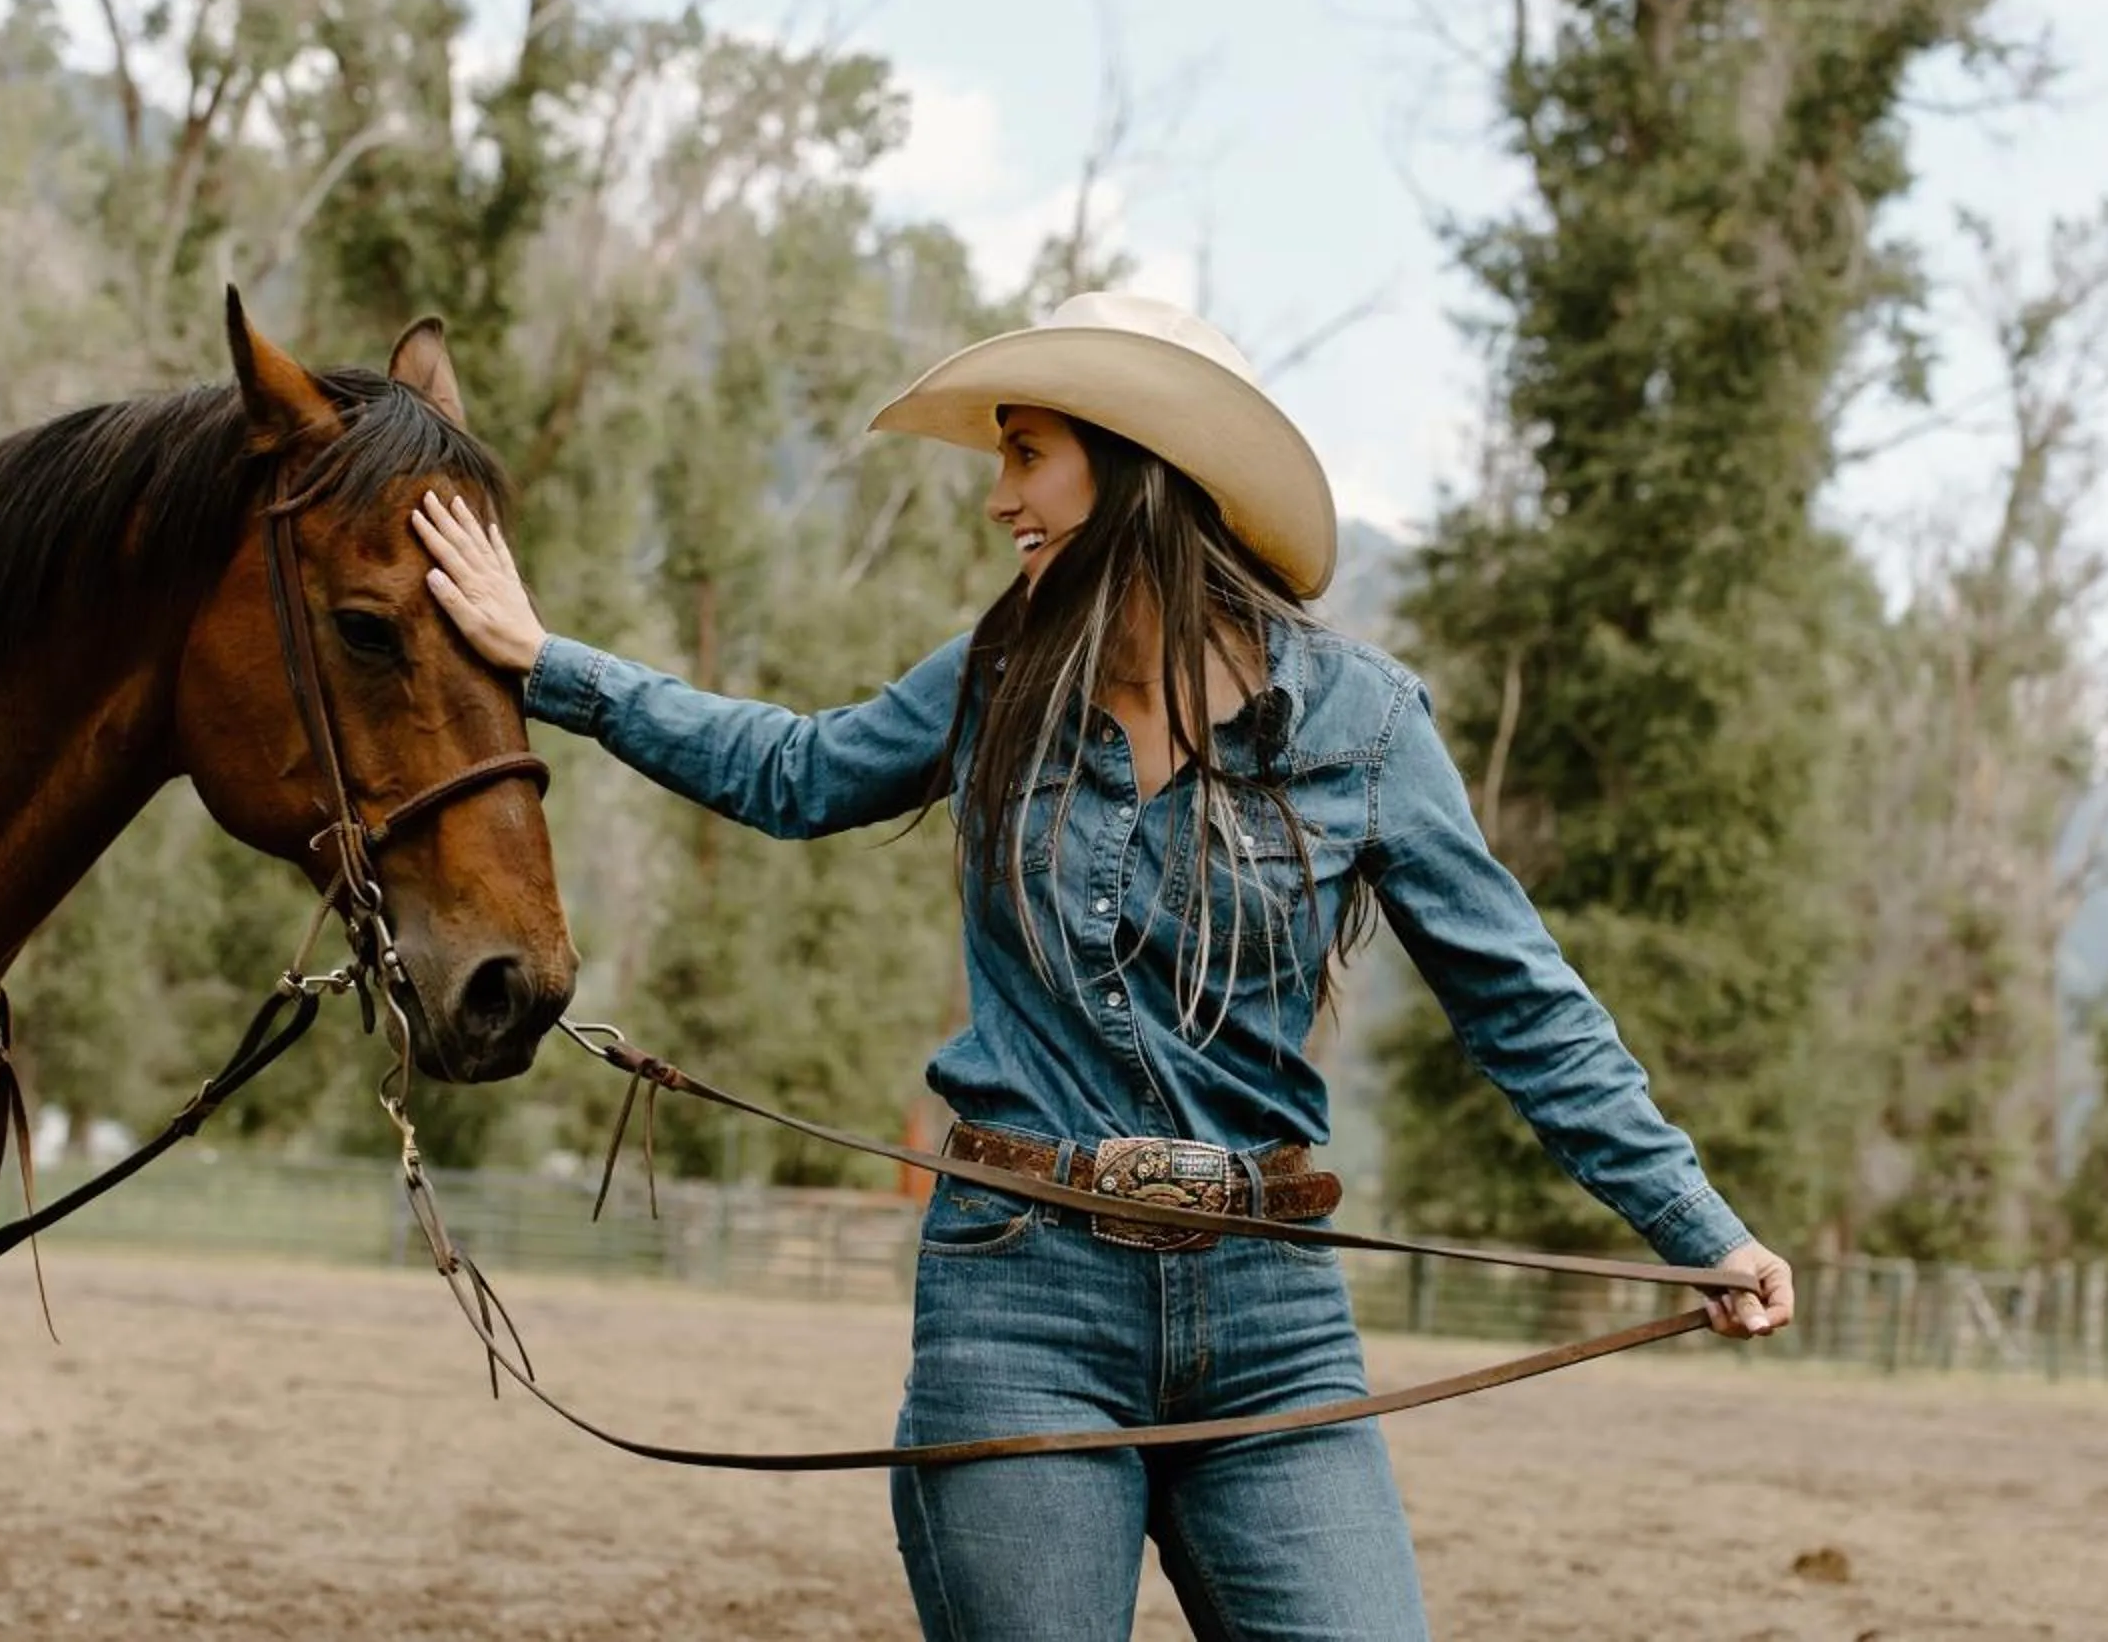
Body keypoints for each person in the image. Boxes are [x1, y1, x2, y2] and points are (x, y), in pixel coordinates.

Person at [411, 292, 1793, 1642]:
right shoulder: (994, 676)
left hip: (1273, 1314)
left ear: (1138, 469)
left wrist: (1696, 1226)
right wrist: (548, 662)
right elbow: (795, 771)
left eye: (1028, 454)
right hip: (1021, 1298)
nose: (998, 496)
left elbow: (1523, 1004)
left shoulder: (1363, 723)